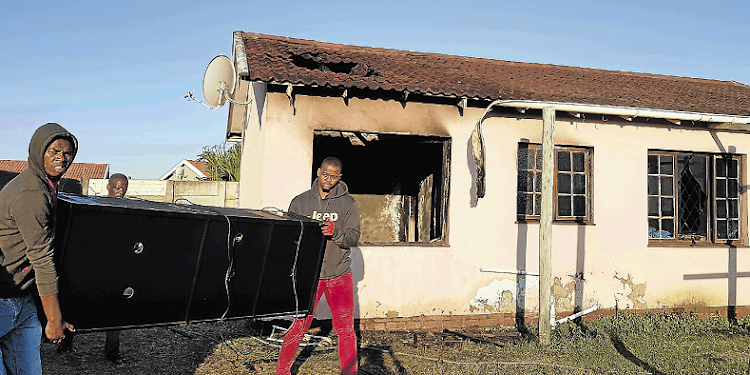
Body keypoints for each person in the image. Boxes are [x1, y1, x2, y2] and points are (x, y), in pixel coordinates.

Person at [0, 123, 77, 374]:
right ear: (37, 151)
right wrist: (54, 320)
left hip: (21, 299)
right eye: (54, 151)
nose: (61, 158)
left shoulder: (45, 186)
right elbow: (42, 259)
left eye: (67, 153)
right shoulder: (31, 192)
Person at [276, 157, 360, 375]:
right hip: (309, 276)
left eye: (333, 176)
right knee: (299, 325)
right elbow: (289, 237)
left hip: (340, 275)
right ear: (318, 171)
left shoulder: (348, 203)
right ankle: (282, 371)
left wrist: (336, 232)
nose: (328, 179)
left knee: (345, 329)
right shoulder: (300, 202)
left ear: (339, 177)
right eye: (325, 174)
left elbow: (353, 237)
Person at [57, 173, 129, 363]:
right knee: (77, 305)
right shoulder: (95, 206)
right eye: (117, 187)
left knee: (115, 312)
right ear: (108, 187)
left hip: (117, 269)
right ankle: (66, 341)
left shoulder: (130, 210)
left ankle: (112, 352)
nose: (120, 191)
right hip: (93, 266)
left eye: (124, 187)